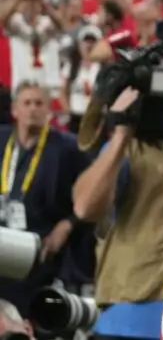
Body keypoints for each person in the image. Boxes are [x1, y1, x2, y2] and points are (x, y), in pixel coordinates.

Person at [0, 82, 88, 314]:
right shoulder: (1, 141)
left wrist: (67, 225)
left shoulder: (68, 149)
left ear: (49, 110)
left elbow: (90, 198)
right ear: (14, 110)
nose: (33, 109)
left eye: (39, 103)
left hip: (41, 254)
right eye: (26, 103)